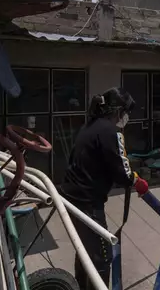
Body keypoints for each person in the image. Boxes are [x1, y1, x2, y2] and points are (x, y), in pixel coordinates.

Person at [58, 87, 149, 289]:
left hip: (69, 197)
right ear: (117, 112)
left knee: (84, 250)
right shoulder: (111, 132)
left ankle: (81, 285)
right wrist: (137, 182)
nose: (126, 117)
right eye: (126, 113)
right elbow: (122, 173)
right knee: (102, 254)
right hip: (87, 203)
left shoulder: (89, 127)